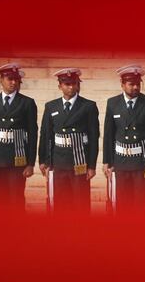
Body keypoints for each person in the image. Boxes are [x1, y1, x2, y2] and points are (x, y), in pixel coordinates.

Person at [38, 68, 100, 215]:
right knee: (60, 202)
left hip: (79, 162)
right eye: (67, 84)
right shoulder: (51, 106)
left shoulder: (88, 106)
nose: (71, 87)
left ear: (78, 85)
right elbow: (46, 135)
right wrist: (44, 160)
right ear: (60, 86)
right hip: (59, 161)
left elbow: (93, 137)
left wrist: (91, 166)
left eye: (74, 83)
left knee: (80, 202)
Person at [102, 65, 145, 216]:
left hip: (143, 161)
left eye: (138, 84)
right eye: (131, 84)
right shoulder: (112, 103)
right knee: (122, 205)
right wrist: (107, 161)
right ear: (122, 84)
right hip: (121, 162)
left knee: (141, 206)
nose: (135, 87)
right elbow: (109, 134)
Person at [0, 63, 37, 214]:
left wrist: (30, 163)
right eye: (10, 79)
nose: (13, 82)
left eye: (16, 80)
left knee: (16, 199)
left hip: (17, 159)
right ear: (1, 80)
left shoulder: (27, 103)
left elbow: (32, 134)